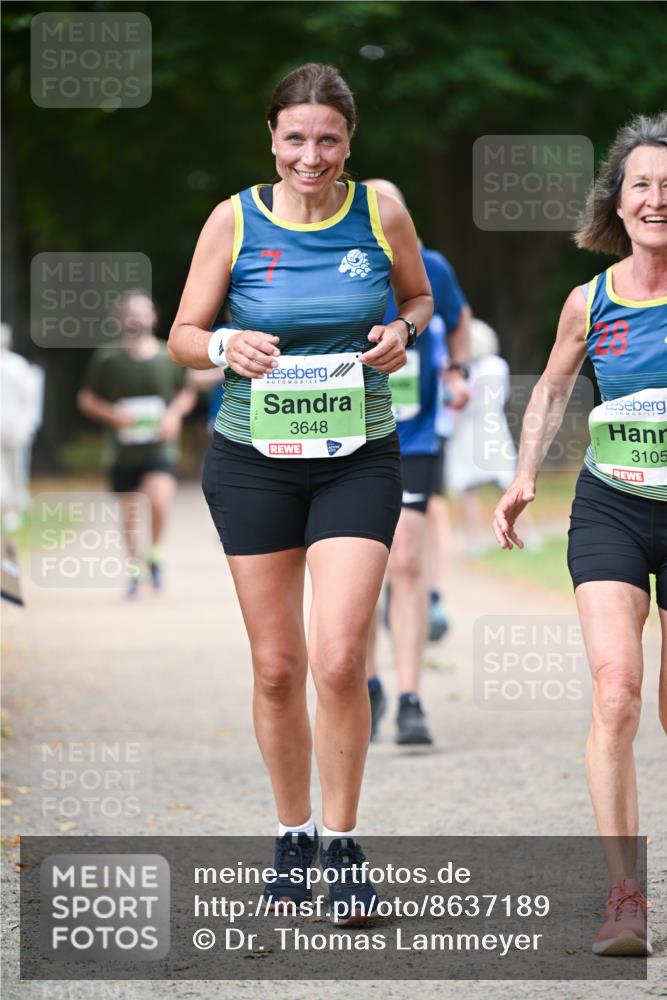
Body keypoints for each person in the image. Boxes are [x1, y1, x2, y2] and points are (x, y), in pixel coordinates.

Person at [168, 64, 432, 924]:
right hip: (252, 460)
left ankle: (344, 846)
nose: (309, 155)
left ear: (348, 141)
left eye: (327, 139)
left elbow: (419, 296)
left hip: (359, 454)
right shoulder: (234, 218)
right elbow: (181, 333)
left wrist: (403, 330)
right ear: (271, 140)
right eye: (295, 138)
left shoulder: (379, 210)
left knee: (339, 657)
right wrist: (221, 350)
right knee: (278, 670)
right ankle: (291, 835)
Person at [493, 113, 666, 957]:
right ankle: (624, 896)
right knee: (616, 691)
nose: (656, 198)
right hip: (612, 506)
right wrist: (525, 473)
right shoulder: (587, 300)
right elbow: (553, 392)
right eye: (641, 183)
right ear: (617, 199)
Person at [362, 179, 470, 745]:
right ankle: (368, 683)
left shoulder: (430, 266)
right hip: (347, 436)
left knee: (404, 561)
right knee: (359, 571)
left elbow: (457, 320)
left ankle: (409, 699)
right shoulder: (338, 267)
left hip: (417, 435)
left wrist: (457, 370)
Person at [78, 290, 197, 596]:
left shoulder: (166, 355)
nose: (137, 318)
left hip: (159, 449)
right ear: (120, 320)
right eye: (131, 313)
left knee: (159, 502)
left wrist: (173, 415)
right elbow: (87, 399)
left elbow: (187, 392)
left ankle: (154, 555)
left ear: (153, 317)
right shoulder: (107, 358)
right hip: (122, 452)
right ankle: (134, 569)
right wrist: (114, 416)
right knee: (130, 513)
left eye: (143, 312)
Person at [448, 318, 541, 555]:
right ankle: (527, 534)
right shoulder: (497, 366)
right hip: (491, 426)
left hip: (472, 429)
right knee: (506, 483)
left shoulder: (464, 370)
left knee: (477, 487)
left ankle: (475, 540)